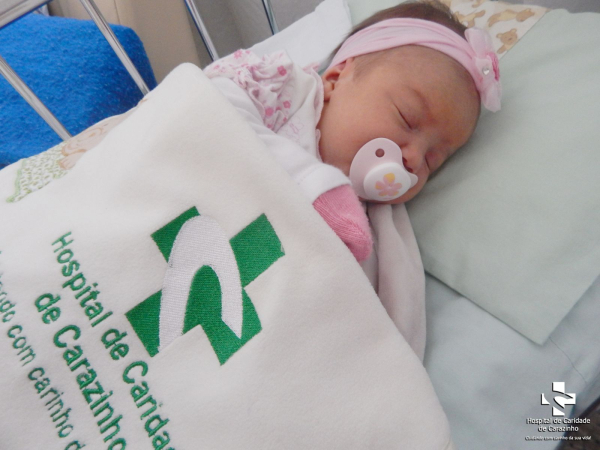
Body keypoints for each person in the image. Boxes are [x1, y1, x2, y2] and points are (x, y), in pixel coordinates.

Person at [204, 0, 501, 263]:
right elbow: (207, 108)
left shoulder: (381, 224)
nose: (413, 158)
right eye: (406, 117)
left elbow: (390, 291)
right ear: (336, 78)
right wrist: (316, 186)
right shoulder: (278, 91)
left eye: (432, 160)